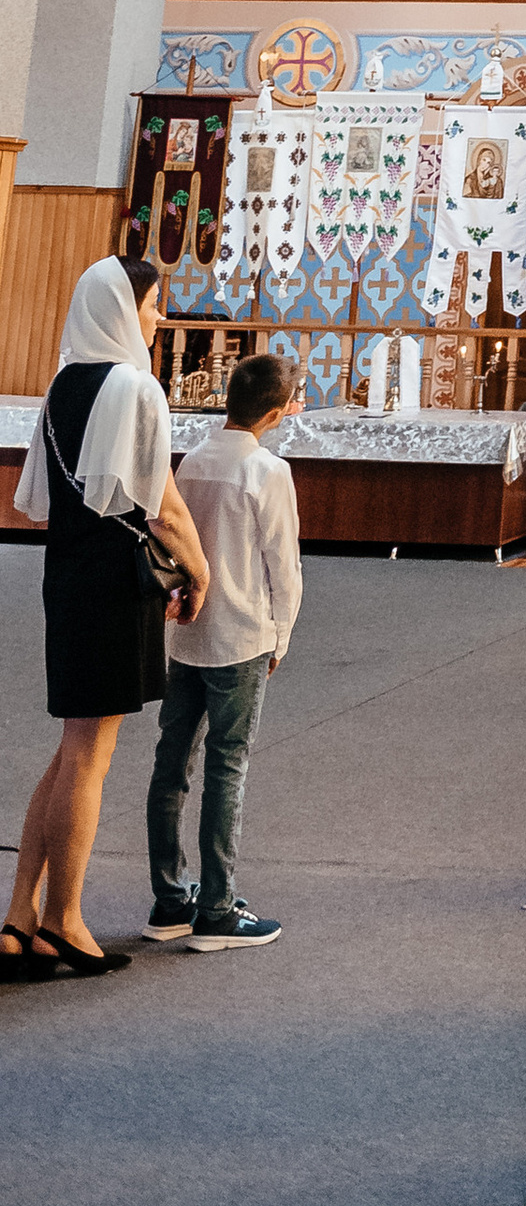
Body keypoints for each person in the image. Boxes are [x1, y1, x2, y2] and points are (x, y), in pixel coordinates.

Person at [5, 260, 209, 978]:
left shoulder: (66, 383)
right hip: (115, 585)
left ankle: (20, 919)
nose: (159, 318)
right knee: (90, 755)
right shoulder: (133, 384)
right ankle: (65, 919)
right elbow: (160, 501)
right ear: (124, 307)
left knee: (71, 749)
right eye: (154, 304)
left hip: (68, 573)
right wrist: (199, 566)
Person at [145, 350, 303, 953]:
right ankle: (215, 909)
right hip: (241, 637)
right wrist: (282, 633)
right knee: (226, 768)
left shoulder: (194, 460)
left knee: (171, 765)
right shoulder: (269, 471)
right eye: (295, 397)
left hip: (188, 631)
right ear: (277, 410)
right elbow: (282, 568)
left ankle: (168, 900)